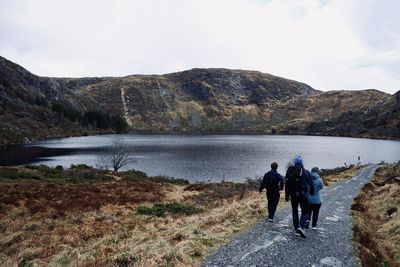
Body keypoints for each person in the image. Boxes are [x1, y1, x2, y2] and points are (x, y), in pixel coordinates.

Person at [285, 155, 314, 238]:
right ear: (302, 163)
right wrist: (311, 192)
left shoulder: (290, 172)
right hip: (303, 196)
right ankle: (301, 227)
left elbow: (287, 184)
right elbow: (311, 184)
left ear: (294, 163)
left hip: (293, 195)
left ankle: (296, 229)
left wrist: (287, 196)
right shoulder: (306, 172)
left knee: (294, 211)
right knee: (305, 211)